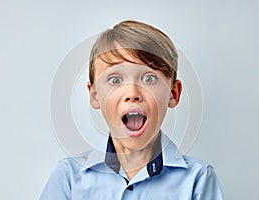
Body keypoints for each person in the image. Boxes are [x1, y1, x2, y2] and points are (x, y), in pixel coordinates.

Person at [40, 20, 224, 199]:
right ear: (95, 95)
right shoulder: (69, 177)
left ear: (173, 94)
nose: (132, 93)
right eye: (115, 80)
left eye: (149, 79)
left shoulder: (198, 180)